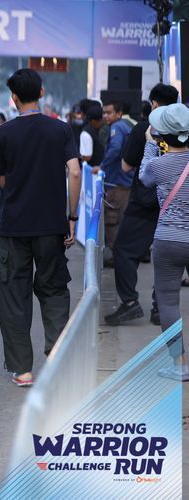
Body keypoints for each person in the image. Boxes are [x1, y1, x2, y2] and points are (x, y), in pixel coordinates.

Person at [0, 68, 81, 387]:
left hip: (14, 226)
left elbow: (1, 180)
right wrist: (71, 217)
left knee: (14, 294)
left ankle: (22, 369)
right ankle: (57, 359)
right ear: (41, 93)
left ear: (13, 98)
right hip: (52, 225)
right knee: (54, 290)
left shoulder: (2, 134)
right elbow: (75, 172)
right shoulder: (61, 129)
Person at [107, 84, 179, 326]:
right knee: (166, 255)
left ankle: (129, 302)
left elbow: (126, 166)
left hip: (144, 201)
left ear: (154, 103)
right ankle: (160, 307)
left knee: (124, 250)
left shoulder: (144, 129)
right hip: (175, 201)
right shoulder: (183, 129)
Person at [139, 102, 189, 381]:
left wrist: (150, 145)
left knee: (168, 302)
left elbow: (143, 178)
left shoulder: (158, 165)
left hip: (168, 239)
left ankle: (180, 365)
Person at [101, 100, 135, 264]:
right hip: (124, 181)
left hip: (117, 182)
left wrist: (102, 166)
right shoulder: (125, 126)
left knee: (112, 219)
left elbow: (115, 149)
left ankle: (116, 257)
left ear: (119, 114)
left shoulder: (117, 127)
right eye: (104, 112)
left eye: (109, 112)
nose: (105, 116)